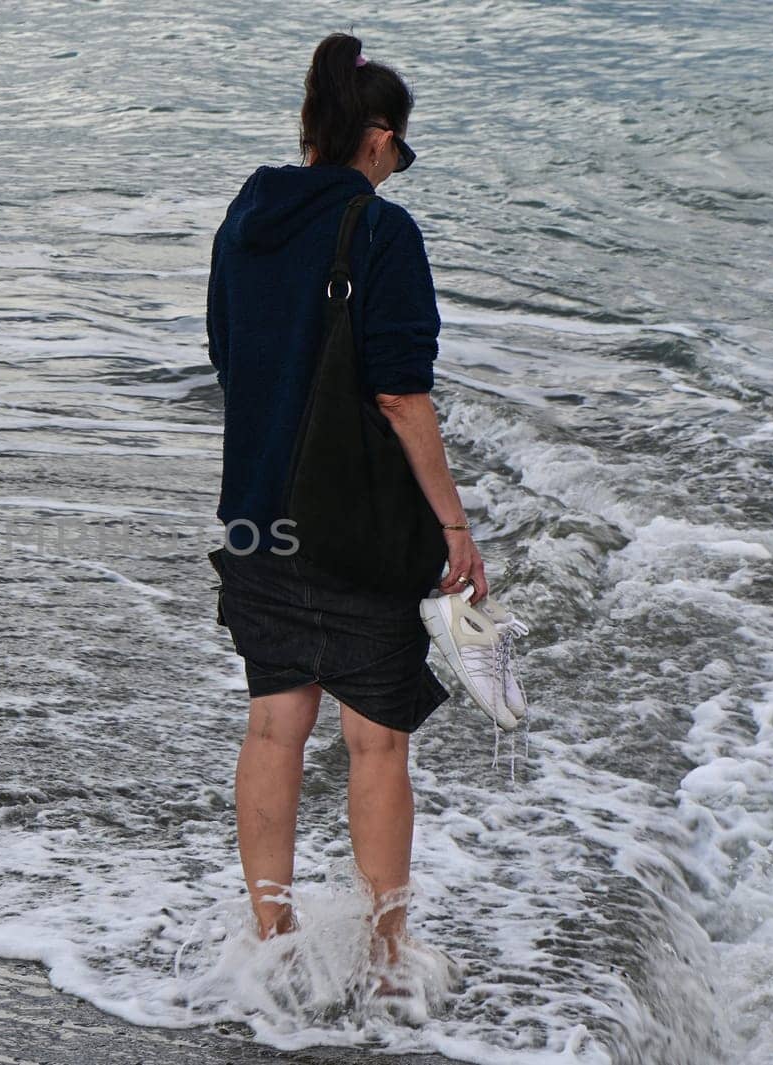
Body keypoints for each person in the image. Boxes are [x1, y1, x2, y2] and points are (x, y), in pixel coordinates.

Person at [203, 32, 489, 968]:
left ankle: (269, 943)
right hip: (357, 525)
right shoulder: (382, 232)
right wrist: (453, 523)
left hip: (256, 511)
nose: (396, 170)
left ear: (307, 130)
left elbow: (226, 356)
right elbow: (402, 393)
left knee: (274, 722)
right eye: (399, 152)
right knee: (374, 741)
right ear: (375, 139)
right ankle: (387, 957)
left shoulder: (245, 218)